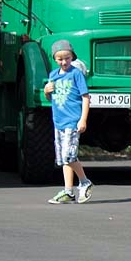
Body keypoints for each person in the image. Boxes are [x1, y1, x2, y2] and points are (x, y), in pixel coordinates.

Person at [44, 40, 94, 204]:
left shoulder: (76, 74)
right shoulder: (53, 75)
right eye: (60, 59)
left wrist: (83, 119)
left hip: (73, 121)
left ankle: (85, 182)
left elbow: (85, 97)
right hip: (58, 121)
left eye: (67, 58)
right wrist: (46, 91)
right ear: (55, 59)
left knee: (69, 155)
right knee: (63, 159)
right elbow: (52, 98)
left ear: (72, 57)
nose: (64, 62)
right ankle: (68, 191)